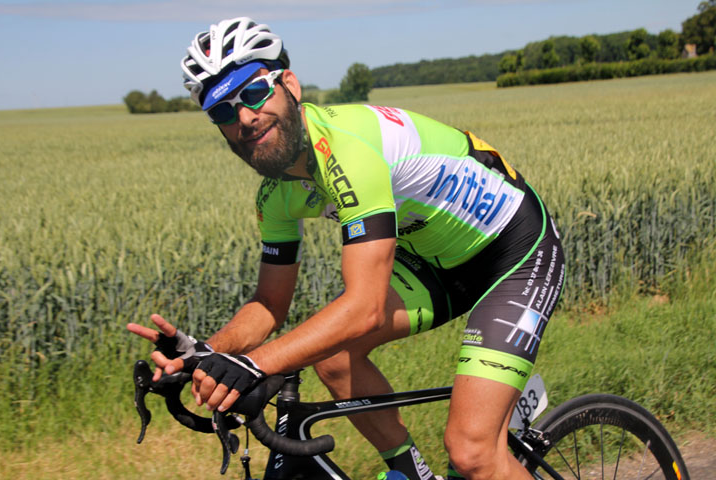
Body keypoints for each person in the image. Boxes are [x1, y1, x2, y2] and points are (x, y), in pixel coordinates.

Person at [127, 17, 565, 480]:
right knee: (333, 355)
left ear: (289, 85)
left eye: (253, 93)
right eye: (222, 111)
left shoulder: (348, 150)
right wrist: (206, 353)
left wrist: (253, 365)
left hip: (514, 253)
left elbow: (365, 309)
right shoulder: (275, 194)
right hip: (438, 262)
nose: (245, 118)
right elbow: (269, 304)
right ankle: (411, 472)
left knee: (472, 452)